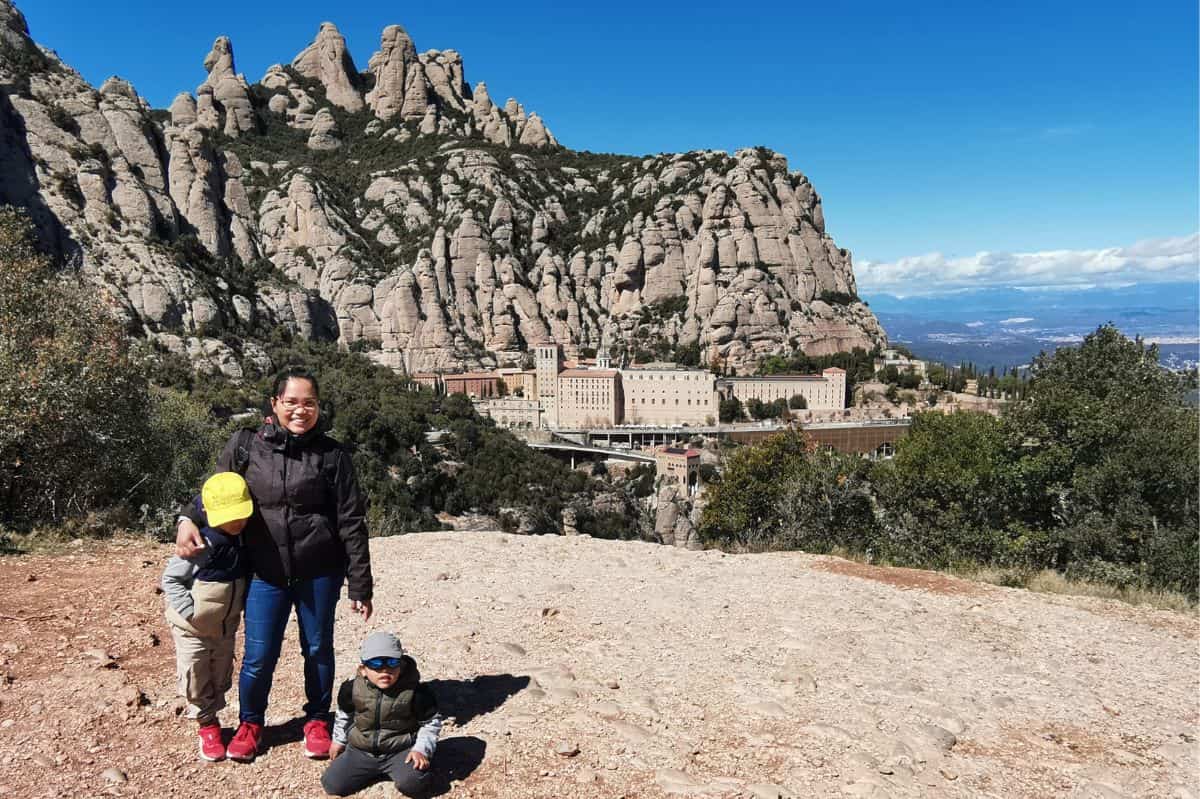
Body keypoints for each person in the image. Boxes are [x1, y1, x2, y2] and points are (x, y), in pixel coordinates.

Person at [176, 366, 374, 763]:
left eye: (310, 403)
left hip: (319, 571)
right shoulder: (246, 445)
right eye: (292, 402)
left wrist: (360, 583)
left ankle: (317, 719)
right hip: (265, 572)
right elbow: (216, 491)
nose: (301, 411)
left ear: (318, 407)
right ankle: (251, 723)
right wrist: (186, 519)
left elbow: (351, 520)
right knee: (259, 654)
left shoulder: (333, 455)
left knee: (318, 649)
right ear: (275, 404)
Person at [161, 472, 253, 762]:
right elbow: (171, 580)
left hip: (225, 629)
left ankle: (212, 716)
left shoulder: (244, 540)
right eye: (229, 517)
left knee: (219, 676)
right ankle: (207, 726)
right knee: (196, 677)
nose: (236, 523)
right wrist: (191, 613)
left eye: (241, 516)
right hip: (192, 630)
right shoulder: (202, 544)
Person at [321, 632, 442, 798]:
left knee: (413, 784)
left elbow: (430, 722)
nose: (385, 670)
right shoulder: (351, 689)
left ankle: (407, 768)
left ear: (401, 665)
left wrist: (422, 749)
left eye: (392, 663)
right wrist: (338, 740)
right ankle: (372, 769)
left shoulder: (416, 692)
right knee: (332, 784)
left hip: (400, 750)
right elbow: (344, 715)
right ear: (363, 669)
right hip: (361, 750)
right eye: (376, 664)